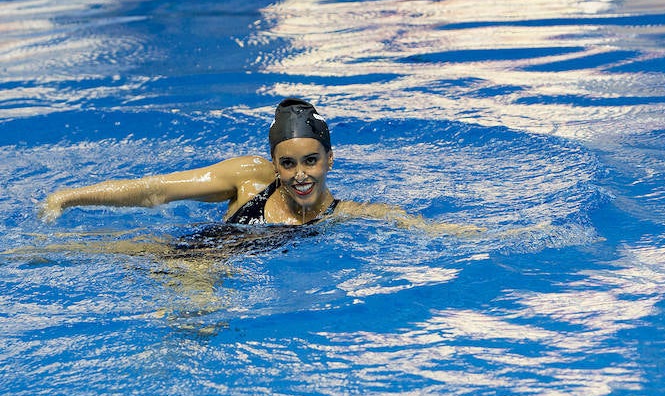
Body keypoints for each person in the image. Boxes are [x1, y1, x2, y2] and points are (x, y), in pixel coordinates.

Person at [41, 98, 478, 235]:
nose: (300, 174)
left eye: (311, 160)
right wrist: (67, 196)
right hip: (192, 260)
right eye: (287, 164)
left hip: (218, 275)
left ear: (330, 158)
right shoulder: (249, 178)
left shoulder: (342, 213)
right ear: (273, 163)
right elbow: (157, 190)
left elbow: (415, 225)